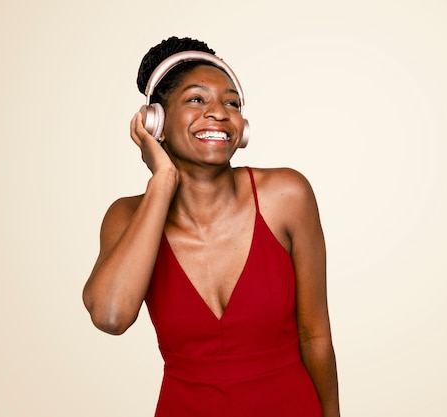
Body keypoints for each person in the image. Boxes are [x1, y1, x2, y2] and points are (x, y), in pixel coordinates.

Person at [82, 36, 340, 417]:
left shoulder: (287, 195)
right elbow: (110, 316)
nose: (219, 112)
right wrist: (162, 181)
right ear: (156, 123)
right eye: (196, 99)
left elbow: (315, 335)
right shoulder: (126, 216)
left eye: (232, 103)